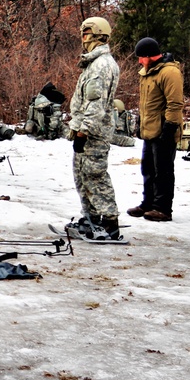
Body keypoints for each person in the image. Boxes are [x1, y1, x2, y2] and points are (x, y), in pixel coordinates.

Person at [65, 17, 120, 239]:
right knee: (82, 175)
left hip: (93, 133)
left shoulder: (101, 66)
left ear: (98, 34)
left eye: (86, 33)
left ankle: (109, 223)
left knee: (95, 175)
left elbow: (95, 104)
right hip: (85, 131)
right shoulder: (93, 64)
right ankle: (91, 217)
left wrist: (83, 130)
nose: (83, 37)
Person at [128, 37, 184, 222]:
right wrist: (139, 125)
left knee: (163, 171)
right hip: (150, 131)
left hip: (164, 130)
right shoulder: (147, 72)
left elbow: (175, 103)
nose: (139, 61)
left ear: (150, 56)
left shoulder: (169, 72)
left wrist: (169, 128)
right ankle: (148, 204)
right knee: (148, 169)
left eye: (141, 57)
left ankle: (162, 208)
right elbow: (146, 104)